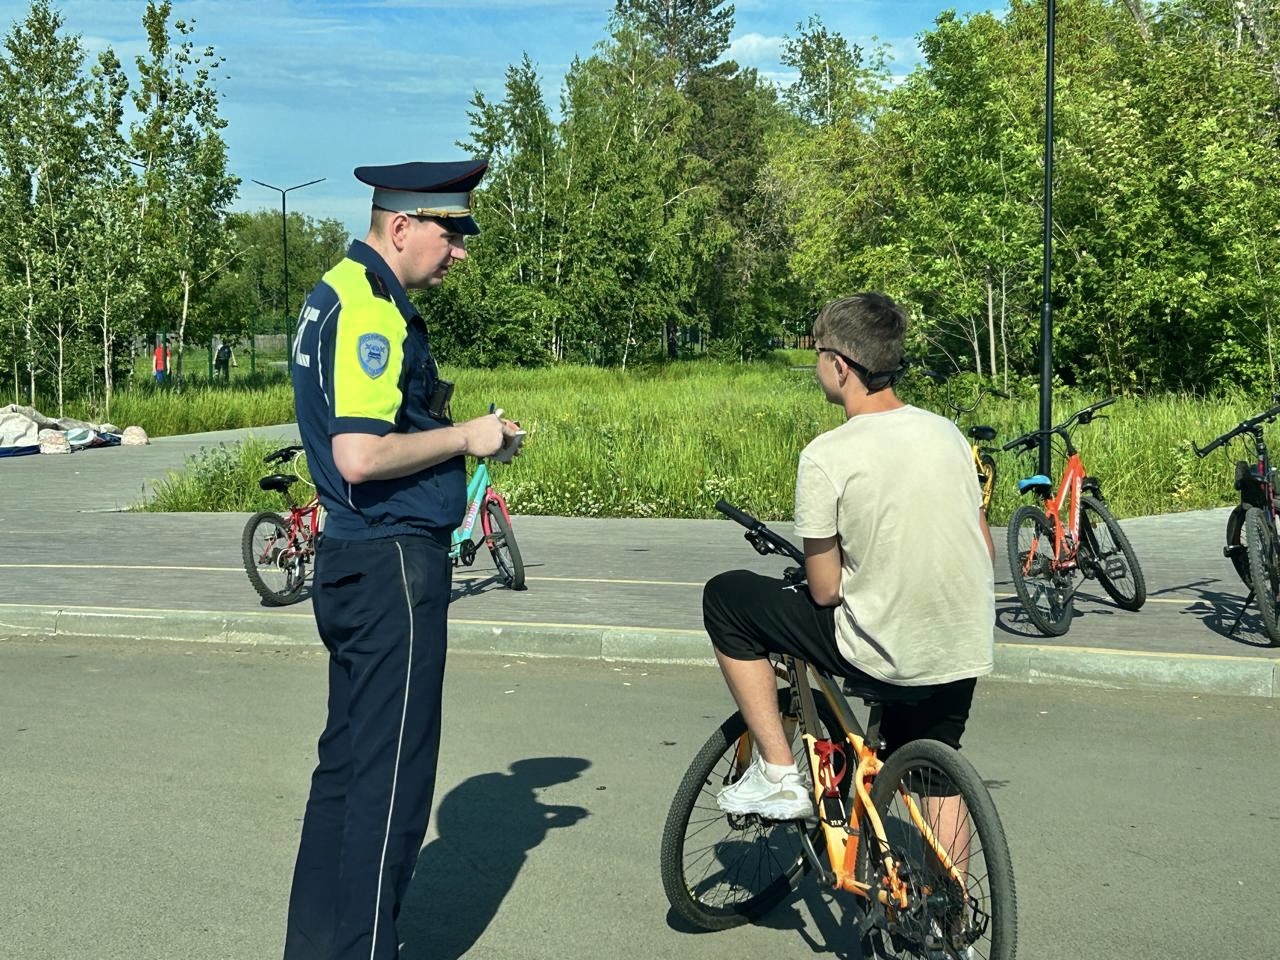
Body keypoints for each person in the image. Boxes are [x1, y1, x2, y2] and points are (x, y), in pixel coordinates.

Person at [284, 158, 519, 960]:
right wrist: (469, 437)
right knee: (392, 786)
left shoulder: (332, 293)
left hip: (351, 558)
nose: (459, 252)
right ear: (403, 225)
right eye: (451, 233)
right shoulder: (375, 309)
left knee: (346, 775)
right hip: (389, 566)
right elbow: (358, 454)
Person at [703, 292, 996, 820]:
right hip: (962, 640)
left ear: (839, 366)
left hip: (888, 650)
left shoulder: (827, 454)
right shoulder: (947, 434)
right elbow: (984, 544)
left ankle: (778, 773)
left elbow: (825, 589)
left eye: (817, 353)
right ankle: (948, 899)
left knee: (727, 598)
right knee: (934, 769)